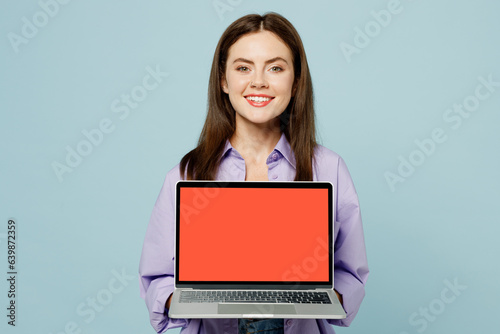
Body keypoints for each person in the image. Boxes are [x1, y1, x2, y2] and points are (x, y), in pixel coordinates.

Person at [139, 12, 369, 334]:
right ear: (224, 80)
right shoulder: (187, 174)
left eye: (275, 68)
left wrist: (324, 297)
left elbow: (351, 273)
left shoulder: (328, 169)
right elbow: (157, 278)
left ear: (296, 80)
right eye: (243, 68)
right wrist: (183, 299)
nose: (258, 81)